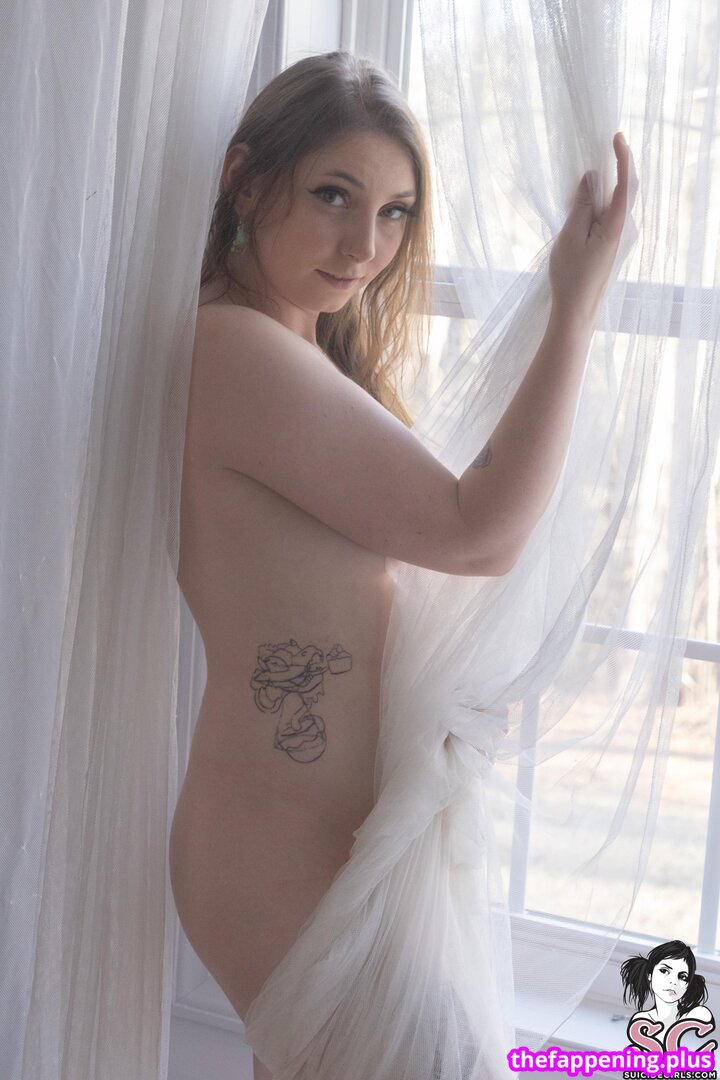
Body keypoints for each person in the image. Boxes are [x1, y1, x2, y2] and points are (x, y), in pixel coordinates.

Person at [168, 50, 635, 1080]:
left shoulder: (292, 356)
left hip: (325, 856)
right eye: (334, 196)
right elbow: (480, 533)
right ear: (244, 180)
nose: (365, 246)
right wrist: (572, 309)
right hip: (279, 858)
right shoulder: (236, 350)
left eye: (394, 213)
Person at [621, 940, 715, 1050]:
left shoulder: (699, 1015)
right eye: (664, 971)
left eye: (682, 977)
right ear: (649, 974)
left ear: (688, 984)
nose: (673, 982)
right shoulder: (641, 1021)